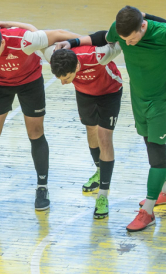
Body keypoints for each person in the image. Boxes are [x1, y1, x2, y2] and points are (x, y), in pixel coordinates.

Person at [58, 7, 166, 231]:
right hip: (138, 97)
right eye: (124, 40)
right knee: (149, 141)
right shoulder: (121, 30)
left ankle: (148, 212)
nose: (128, 44)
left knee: (155, 151)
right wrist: (72, 42)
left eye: (131, 39)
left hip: (160, 101)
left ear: (143, 26)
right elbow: (102, 37)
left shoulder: (165, 33)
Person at [0, 22, 81, 212]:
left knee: (35, 132)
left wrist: (87, 41)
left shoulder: (25, 41)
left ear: (2, 43)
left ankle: (42, 188)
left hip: (29, 83)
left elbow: (58, 33)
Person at [44, 38, 123, 218]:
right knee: (91, 130)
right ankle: (99, 171)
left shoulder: (98, 55)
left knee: (105, 137)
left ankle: (103, 195)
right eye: (60, 79)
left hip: (109, 92)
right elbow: (44, 38)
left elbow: (118, 40)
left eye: (67, 78)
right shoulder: (55, 57)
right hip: (85, 94)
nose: (64, 83)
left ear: (78, 67)